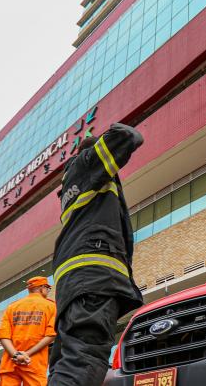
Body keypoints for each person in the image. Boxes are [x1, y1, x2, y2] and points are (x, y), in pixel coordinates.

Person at [48, 124, 144, 386]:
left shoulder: (74, 185)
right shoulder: (87, 166)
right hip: (93, 279)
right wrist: (105, 134)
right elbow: (127, 136)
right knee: (85, 356)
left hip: (76, 281)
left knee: (67, 359)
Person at [0, 277, 57, 386]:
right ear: (42, 288)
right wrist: (26, 354)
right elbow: (51, 335)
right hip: (34, 363)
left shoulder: (12, 307)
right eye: (48, 288)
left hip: (10, 362)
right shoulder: (51, 306)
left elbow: (3, 336)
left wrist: (16, 355)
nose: (48, 291)